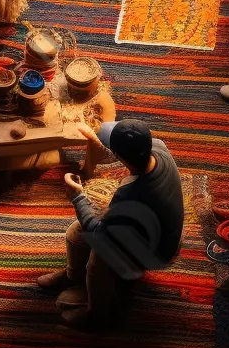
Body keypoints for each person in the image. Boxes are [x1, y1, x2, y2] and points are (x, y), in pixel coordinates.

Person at [36, 118, 184, 328]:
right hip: (157, 227)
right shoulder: (158, 146)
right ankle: (72, 276)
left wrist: (77, 196)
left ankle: (97, 316)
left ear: (119, 156)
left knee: (99, 259)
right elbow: (110, 135)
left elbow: (98, 233)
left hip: (158, 250)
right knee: (75, 233)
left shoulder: (131, 194)